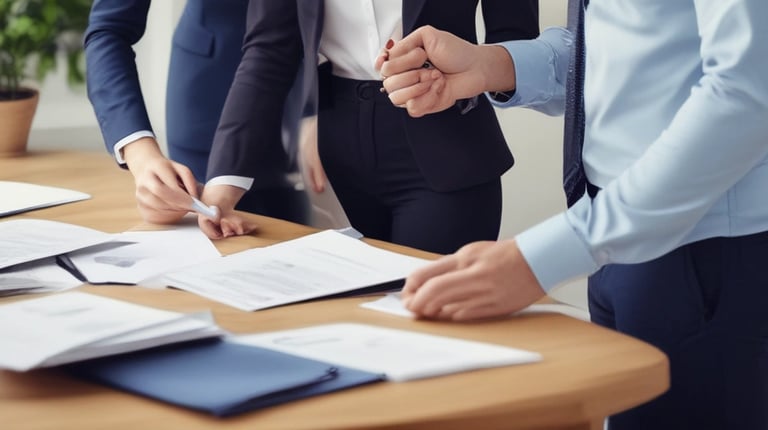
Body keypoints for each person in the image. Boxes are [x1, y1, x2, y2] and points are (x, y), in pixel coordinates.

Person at [378, 1, 768, 429]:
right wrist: (489, 64)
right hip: (614, 236)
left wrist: (548, 256)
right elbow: (625, 48)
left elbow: (746, 93)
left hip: (704, 252)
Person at [196, 0, 539, 252]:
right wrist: (224, 183)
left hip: (447, 143)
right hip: (339, 149)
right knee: (361, 320)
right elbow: (269, 50)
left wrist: (460, 77)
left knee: (431, 324)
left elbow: (518, 43)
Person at [84, 0, 309, 225]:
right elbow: (108, 29)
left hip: (315, 86)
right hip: (209, 95)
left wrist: (316, 105)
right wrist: (141, 156)